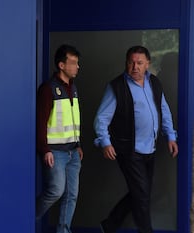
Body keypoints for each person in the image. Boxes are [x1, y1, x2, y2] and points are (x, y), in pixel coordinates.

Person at [94, 45, 178, 233]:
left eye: (139, 63)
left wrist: (170, 136)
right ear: (126, 63)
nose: (135, 67)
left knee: (141, 193)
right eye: (131, 62)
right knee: (141, 196)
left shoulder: (154, 83)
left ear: (147, 64)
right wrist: (105, 141)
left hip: (150, 148)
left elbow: (164, 110)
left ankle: (110, 224)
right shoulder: (116, 87)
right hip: (129, 150)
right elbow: (101, 118)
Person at [36, 44, 84, 233]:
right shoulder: (48, 89)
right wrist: (45, 149)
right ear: (61, 65)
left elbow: (73, 120)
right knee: (55, 191)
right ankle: (25, 217)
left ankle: (64, 231)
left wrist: (78, 144)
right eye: (73, 63)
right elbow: (40, 122)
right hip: (55, 152)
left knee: (71, 195)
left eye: (77, 63)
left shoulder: (73, 89)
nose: (77, 67)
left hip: (73, 152)